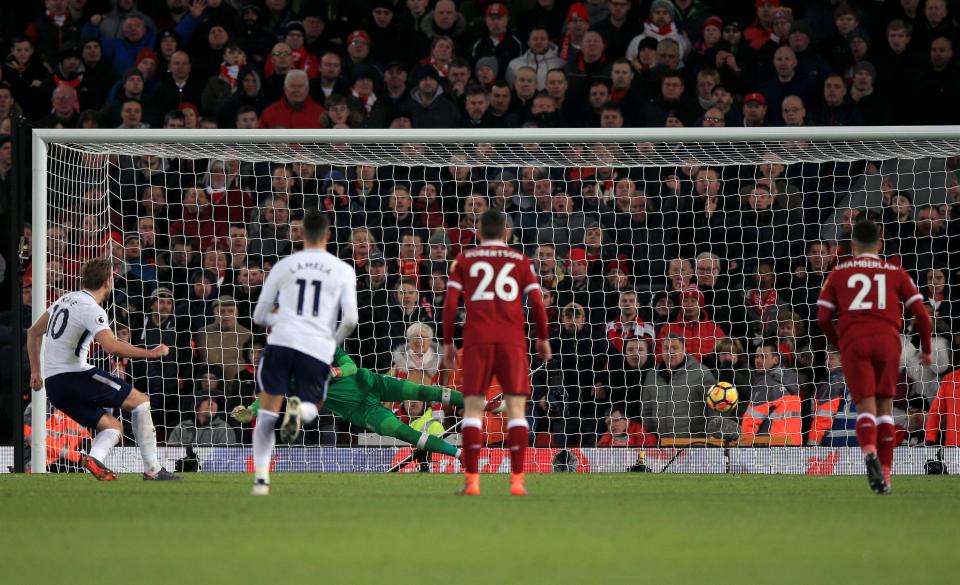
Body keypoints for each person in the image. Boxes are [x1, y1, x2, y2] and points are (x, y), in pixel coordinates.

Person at [25, 258, 180, 481]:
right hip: (75, 375)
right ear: (108, 281)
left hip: (54, 385)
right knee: (141, 401)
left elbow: (32, 332)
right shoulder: (92, 309)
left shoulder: (64, 300)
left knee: (112, 426)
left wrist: (35, 372)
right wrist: (152, 352)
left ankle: (94, 459)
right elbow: (111, 346)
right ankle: (153, 470)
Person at [817, 220, 933, 495]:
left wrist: (839, 343)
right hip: (888, 341)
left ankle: (868, 451)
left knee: (866, 409)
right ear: (880, 244)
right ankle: (886, 477)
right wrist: (926, 349)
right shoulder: (894, 271)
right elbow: (922, 315)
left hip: (855, 341)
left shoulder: (839, 272)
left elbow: (822, 318)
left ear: (853, 246)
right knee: (885, 410)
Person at [441, 209, 551, 496]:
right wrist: (542, 338)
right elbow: (538, 304)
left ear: (478, 233)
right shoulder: (521, 260)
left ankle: (472, 482)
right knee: (516, 410)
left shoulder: (464, 259)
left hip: (477, 342)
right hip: (511, 341)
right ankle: (517, 483)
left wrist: (448, 342)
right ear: (506, 233)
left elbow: (450, 304)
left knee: (473, 410)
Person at [250, 211, 358, 495]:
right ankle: (299, 413)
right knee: (314, 404)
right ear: (329, 235)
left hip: (281, 342)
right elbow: (350, 320)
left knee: (267, 414)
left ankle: (261, 480)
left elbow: (259, 315)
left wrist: (281, 320)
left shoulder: (284, 265)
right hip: (315, 346)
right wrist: (330, 341)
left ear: (300, 235)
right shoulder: (342, 269)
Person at [232, 347, 506, 459]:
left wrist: (333, 372)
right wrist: (251, 410)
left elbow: (349, 365)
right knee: (402, 432)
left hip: (371, 382)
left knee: (425, 391)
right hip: (360, 410)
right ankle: (461, 455)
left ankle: (485, 404)